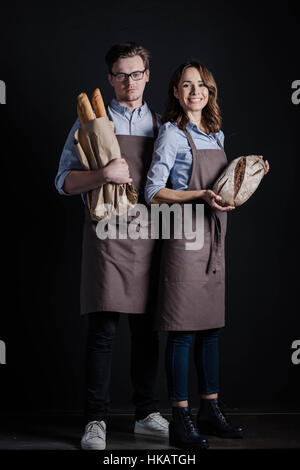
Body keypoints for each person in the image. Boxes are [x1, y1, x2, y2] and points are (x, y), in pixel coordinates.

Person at [145, 61, 270, 449]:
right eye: (186, 85)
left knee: (211, 331)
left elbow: (226, 186)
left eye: (201, 85)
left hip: (214, 238)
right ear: (176, 93)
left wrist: (253, 172)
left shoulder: (214, 136)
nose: (195, 91)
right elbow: (152, 192)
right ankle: (180, 417)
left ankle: (209, 410)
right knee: (182, 332)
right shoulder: (170, 134)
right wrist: (199, 195)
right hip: (183, 239)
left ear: (210, 92)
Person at [54, 42, 169, 451]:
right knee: (103, 331)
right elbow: (63, 182)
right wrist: (104, 172)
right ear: (110, 79)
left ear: (148, 76)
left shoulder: (162, 126)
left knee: (146, 331)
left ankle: (146, 413)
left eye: (136, 73)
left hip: (148, 237)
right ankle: (95, 420)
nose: (129, 82)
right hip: (106, 238)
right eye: (121, 75)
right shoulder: (87, 126)